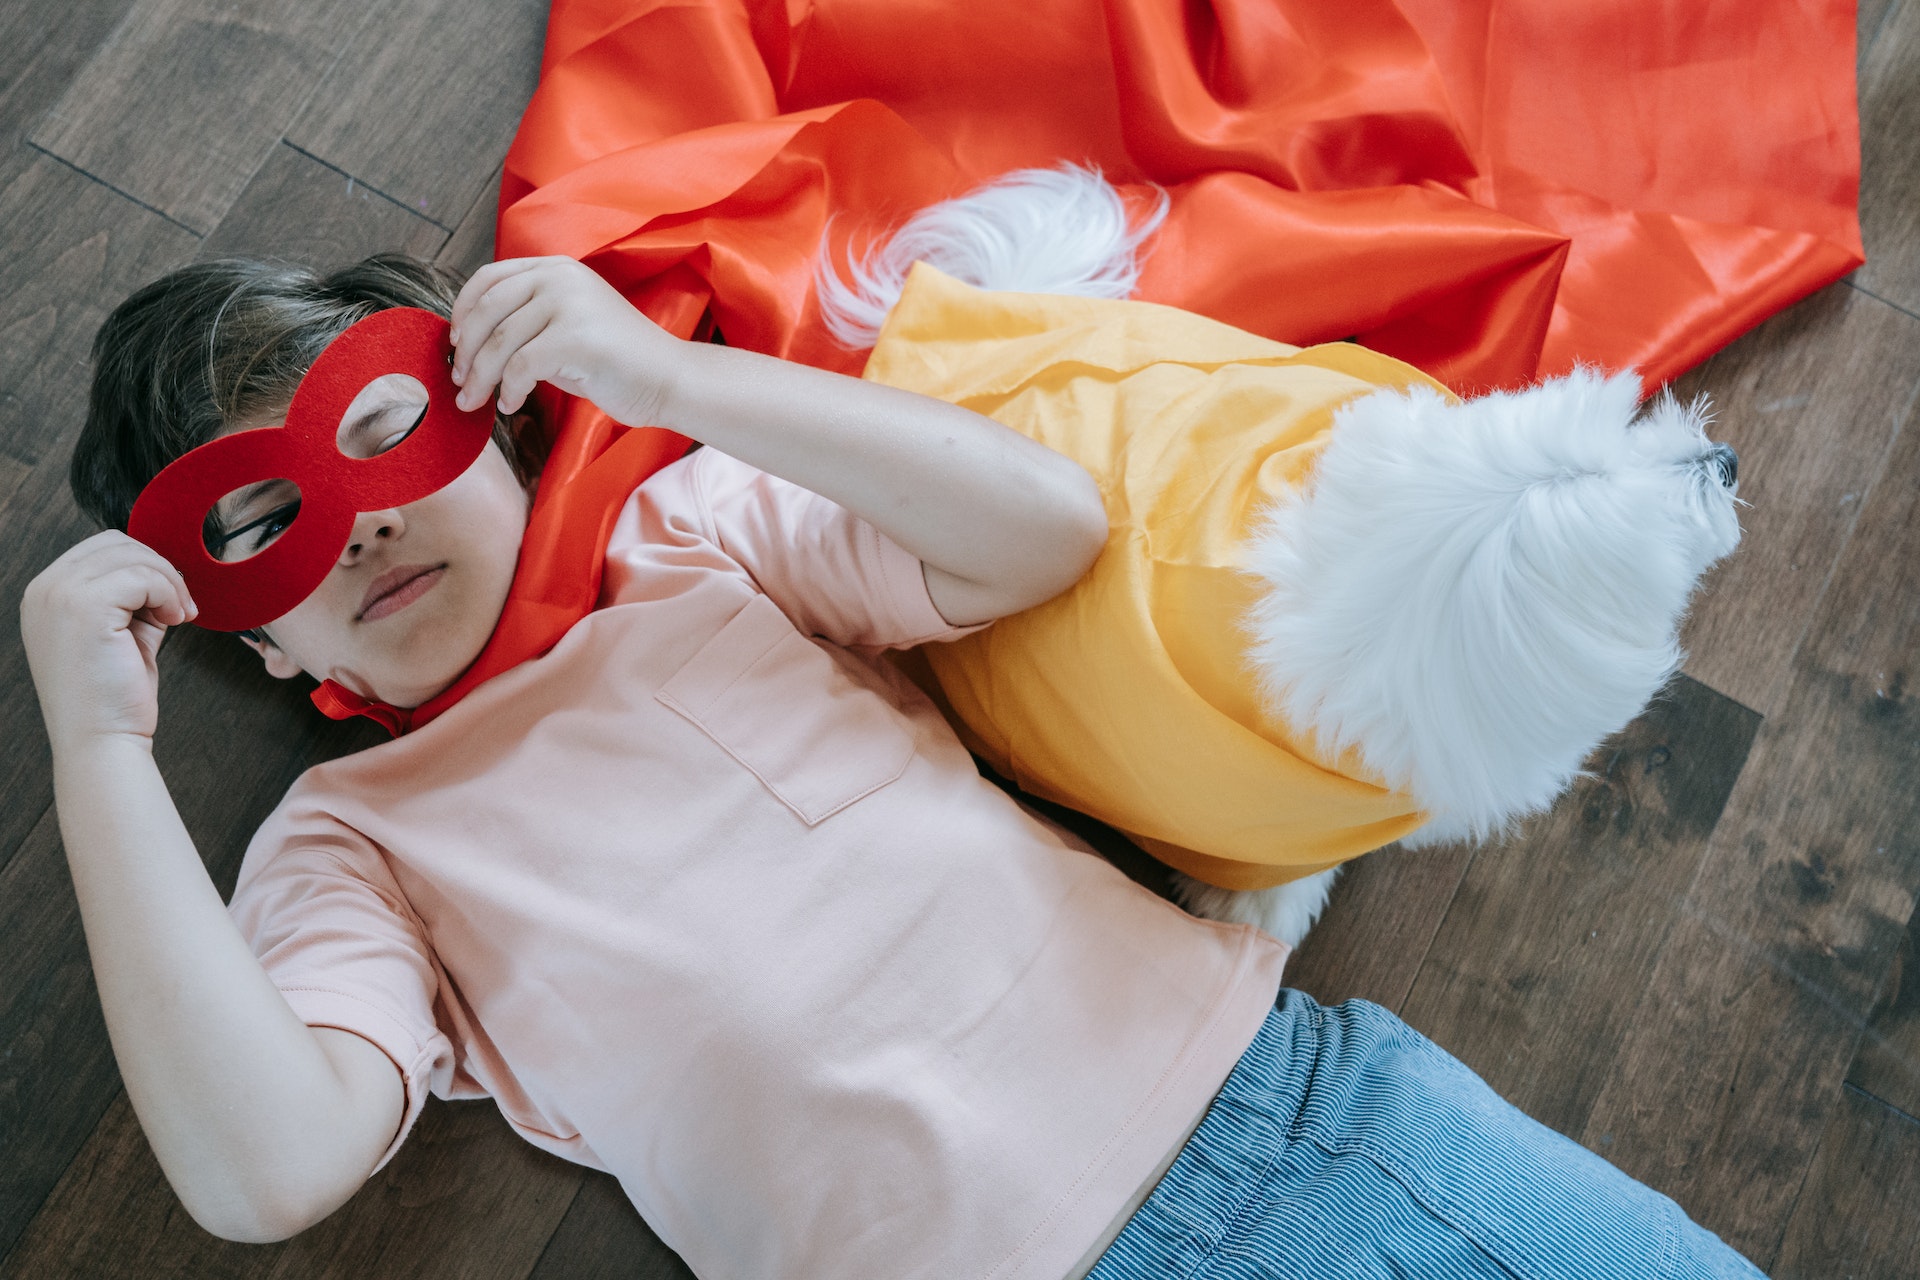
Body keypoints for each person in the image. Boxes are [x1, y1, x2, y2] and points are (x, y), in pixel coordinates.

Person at [22, 251, 1764, 1279]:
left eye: (383, 439)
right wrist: (98, 742)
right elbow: (265, 1170)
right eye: (266, 539)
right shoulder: (353, 846)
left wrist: (660, 375)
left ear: (490, 414)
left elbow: (1042, 528)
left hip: (1295, 1125)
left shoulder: (691, 542)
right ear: (261, 647)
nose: (356, 535)